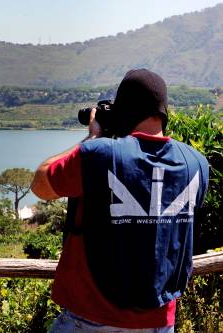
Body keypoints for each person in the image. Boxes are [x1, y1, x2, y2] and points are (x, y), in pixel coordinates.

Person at [31, 69, 209, 332]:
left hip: (91, 317)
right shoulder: (196, 164)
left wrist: (91, 138)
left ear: (124, 110)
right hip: (160, 322)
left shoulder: (98, 154)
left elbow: (41, 185)